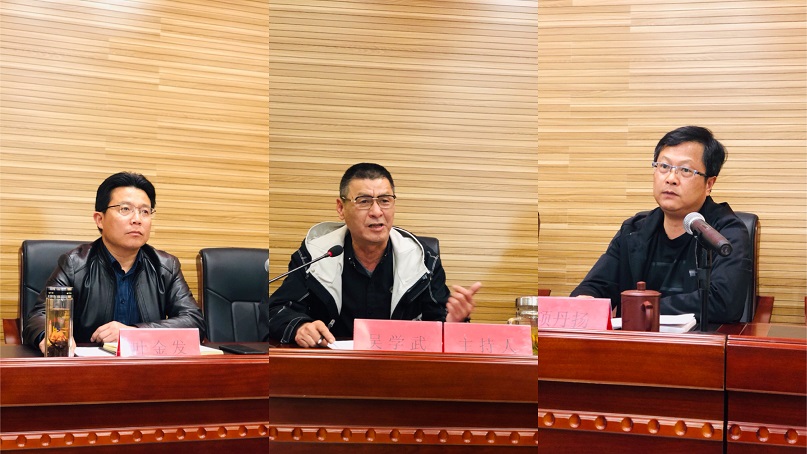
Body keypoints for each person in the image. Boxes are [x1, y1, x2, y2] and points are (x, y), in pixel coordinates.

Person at [259, 163, 481, 347]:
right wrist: (299, 327)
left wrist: (453, 322)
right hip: (330, 370)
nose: (376, 212)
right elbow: (276, 310)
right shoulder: (316, 255)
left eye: (385, 200)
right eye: (364, 201)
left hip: (399, 372)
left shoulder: (422, 260)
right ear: (341, 208)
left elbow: (438, 327)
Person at [571, 126, 752, 324]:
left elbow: (723, 302)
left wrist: (643, 308)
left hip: (698, 341)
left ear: (709, 184)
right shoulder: (634, 230)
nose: (671, 179)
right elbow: (597, 286)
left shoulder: (725, 233)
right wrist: (585, 299)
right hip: (635, 339)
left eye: (685, 170)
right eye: (664, 166)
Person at [23, 172, 206, 352]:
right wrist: (53, 337)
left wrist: (134, 333)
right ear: (100, 219)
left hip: (147, 366)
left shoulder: (165, 266)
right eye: (125, 209)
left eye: (145, 211)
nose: (137, 219)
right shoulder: (74, 264)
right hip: (89, 367)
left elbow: (194, 321)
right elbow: (39, 316)